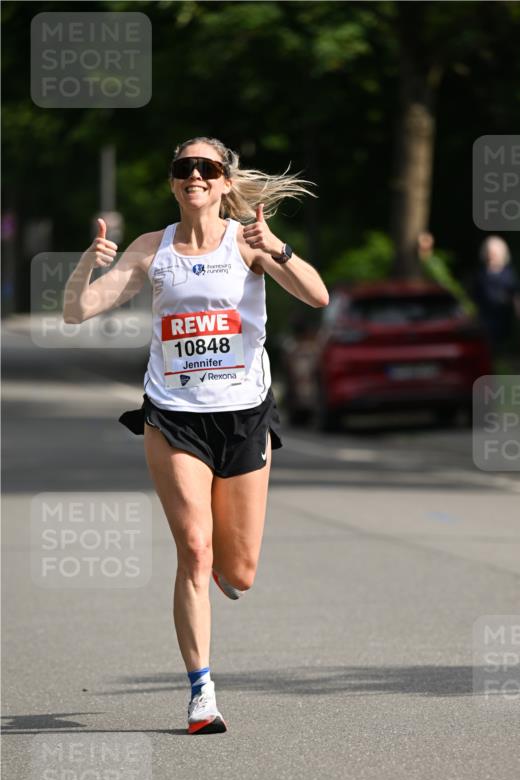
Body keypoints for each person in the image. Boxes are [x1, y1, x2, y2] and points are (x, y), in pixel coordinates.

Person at [63, 136, 329, 734]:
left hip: (244, 414)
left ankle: (222, 577)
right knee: (195, 549)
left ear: (226, 182)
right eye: (184, 168)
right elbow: (78, 311)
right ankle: (201, 692)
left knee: (238, 571)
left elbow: (318, 295)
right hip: (174, 415)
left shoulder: (248, 242)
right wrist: (89, 264)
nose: (195, 176)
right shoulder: (152, 248)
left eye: (207, 168)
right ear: (173, 182)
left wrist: (279, 248)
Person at [472, 235, 520, 353]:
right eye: (489, 252)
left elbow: (517, 294)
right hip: (485, 319)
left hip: (504, 318)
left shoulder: (509, 274)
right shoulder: (481, 274)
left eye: (494, 253)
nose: (491, 255)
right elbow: (475, 297)